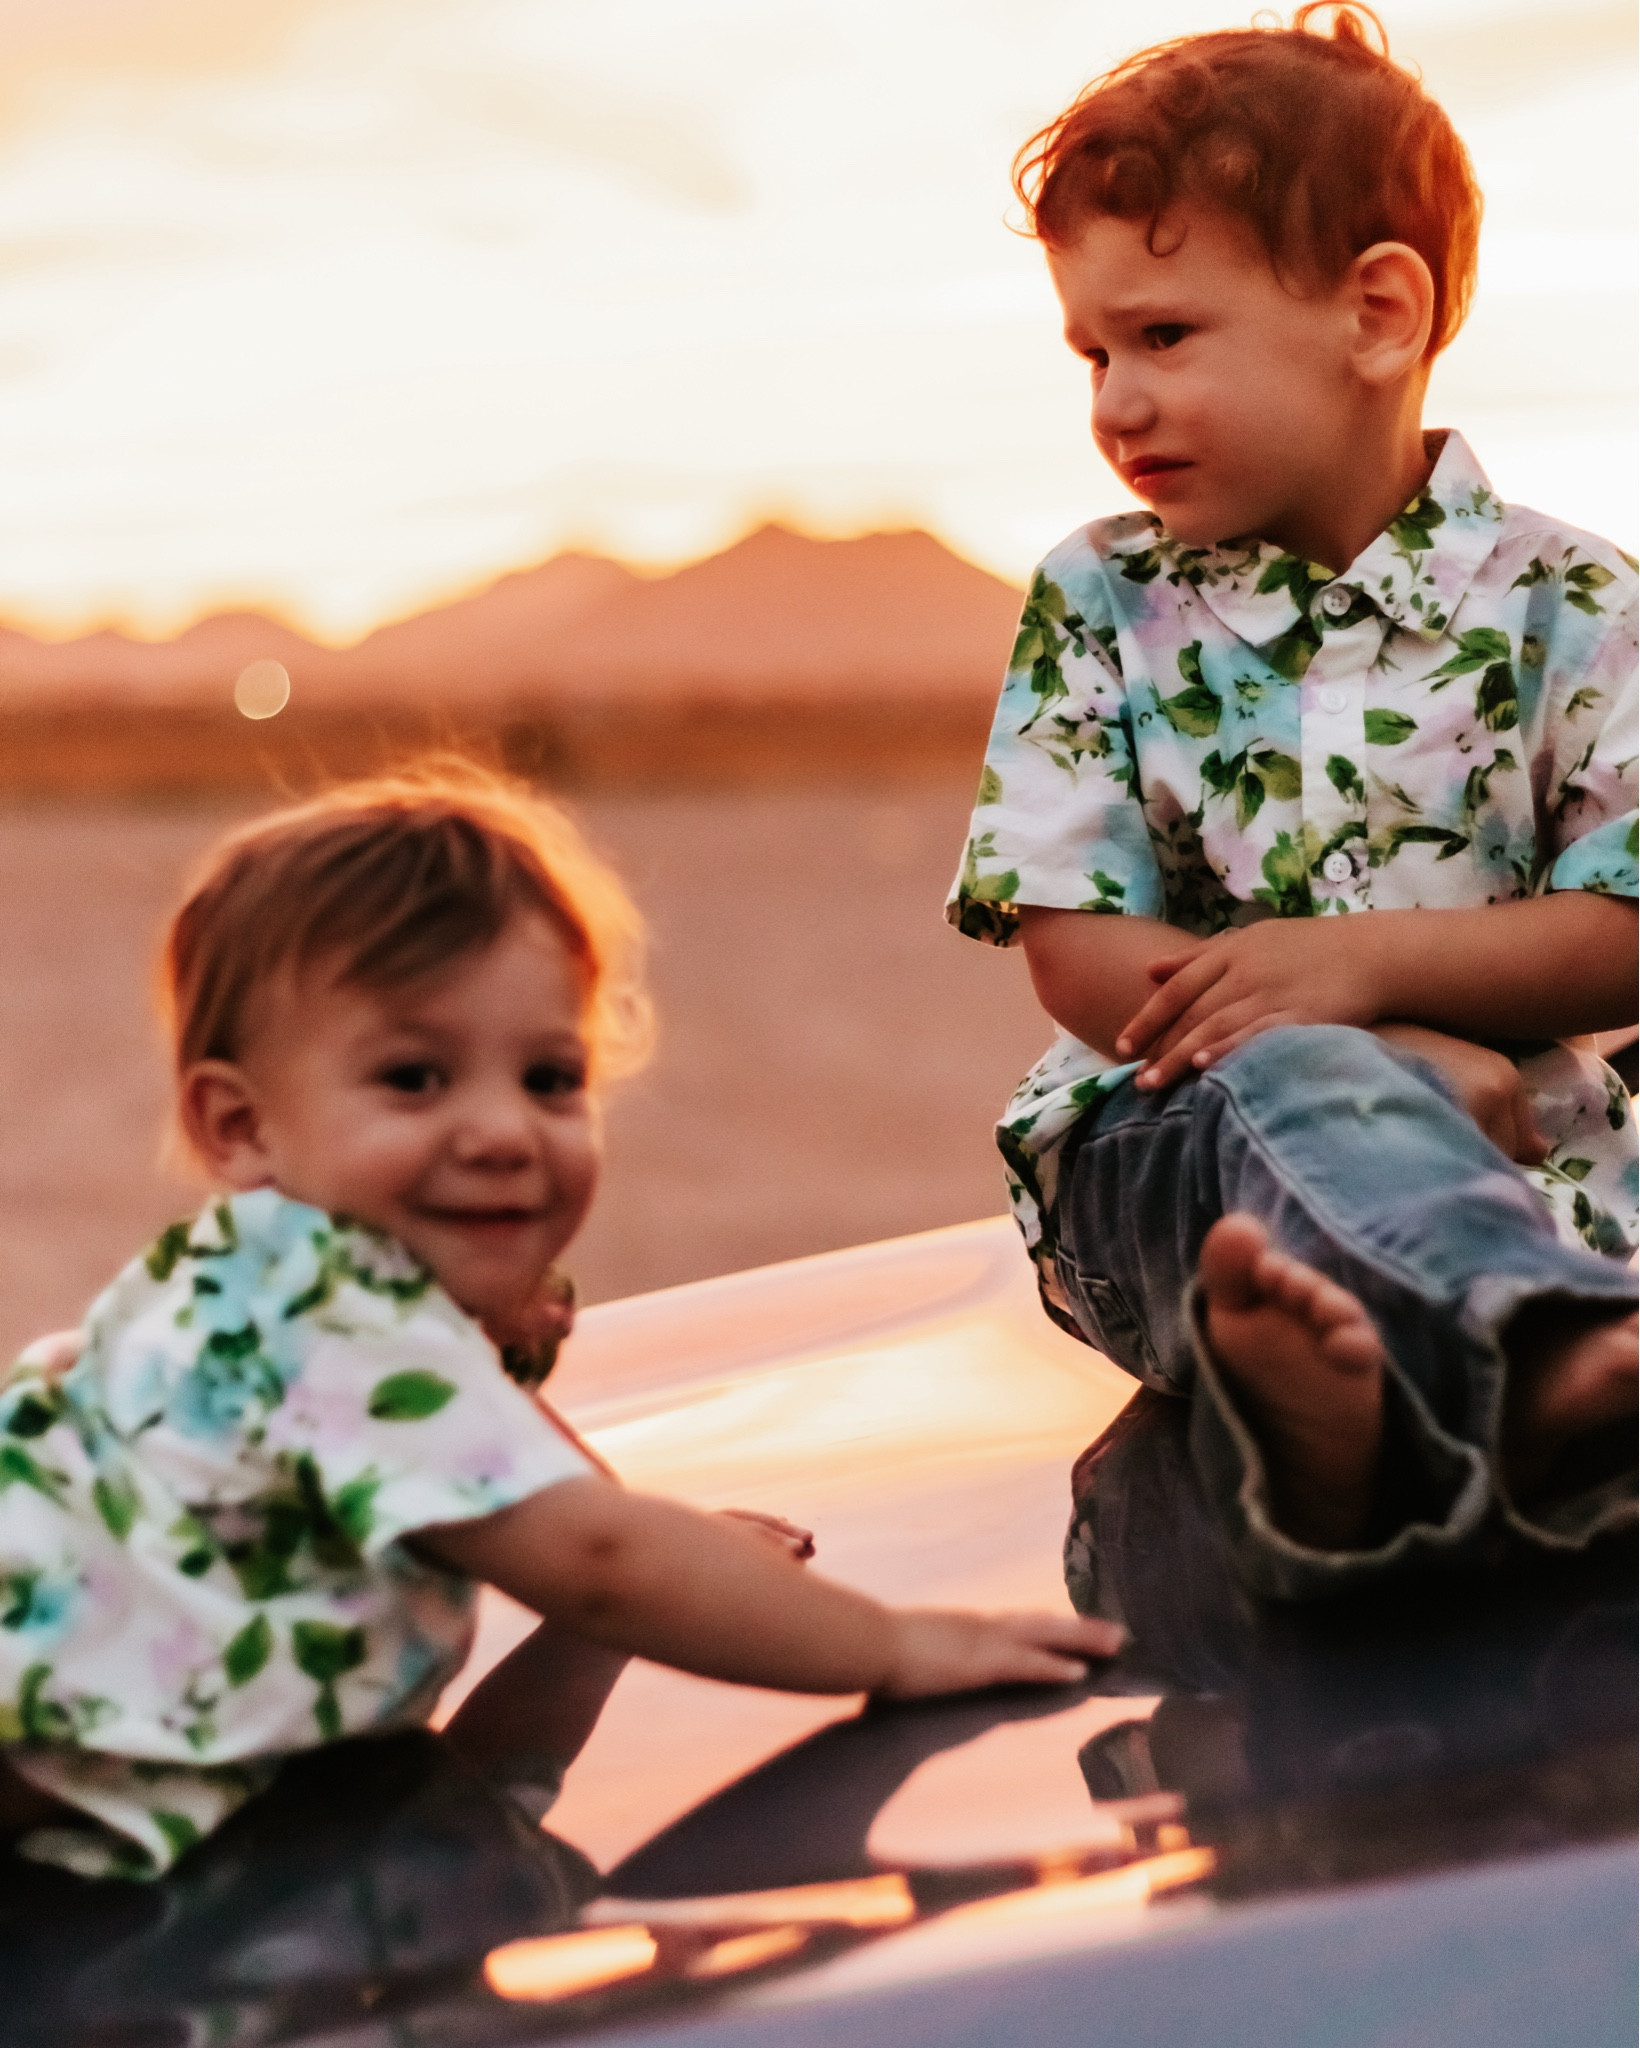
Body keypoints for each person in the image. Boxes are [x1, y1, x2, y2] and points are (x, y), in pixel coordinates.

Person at [0, 762, 1119, 1881]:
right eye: (413, 1076)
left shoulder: (309, 1291)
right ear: (240, 1126)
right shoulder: (326, 1313)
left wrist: (633, 1523)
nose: (500, 1129)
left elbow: (535, 1475)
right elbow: (587, 1558)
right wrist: (892, 1642)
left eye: (546, 1076)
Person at [947, 6, 1637, 1603]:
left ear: (1378, 313)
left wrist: (1367, 971)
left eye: (1165, 336)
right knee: (1308, 1101)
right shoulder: (1101, 600)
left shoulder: (1572, 605)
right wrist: (1348, 1047)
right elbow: (1075, 950)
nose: (1116, 400)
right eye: (1093, 353)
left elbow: (1628, 923)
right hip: (1175, 1158)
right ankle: (1525, 1375)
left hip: (1542, 1156)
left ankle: (1349, 1441)